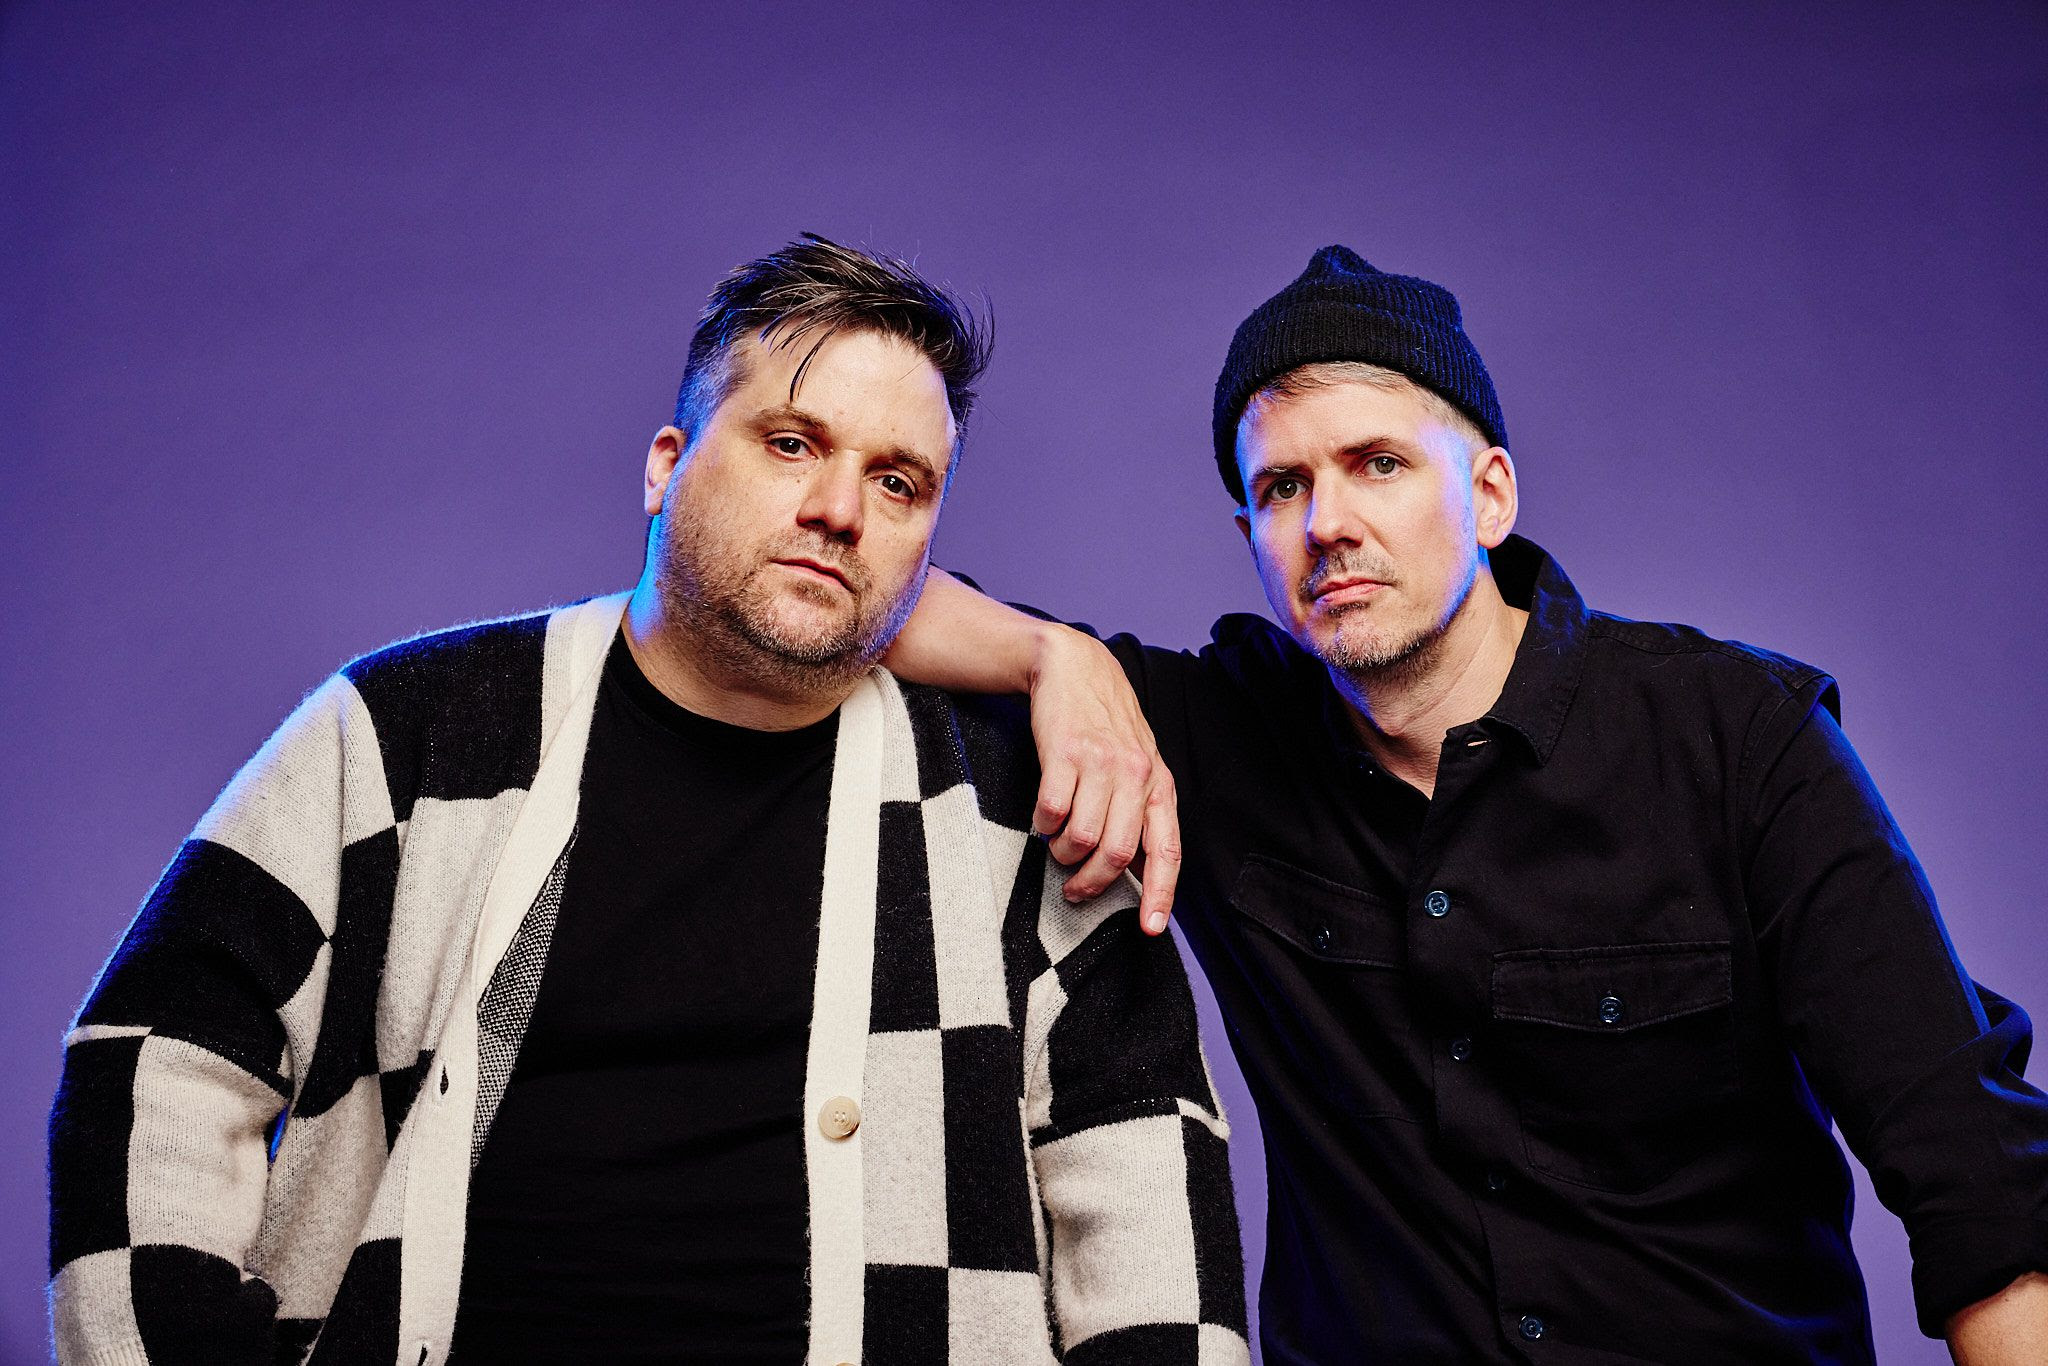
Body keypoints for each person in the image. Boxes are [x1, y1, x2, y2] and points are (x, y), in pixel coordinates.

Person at [47, 236, 1249, 1366]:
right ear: (666, 465)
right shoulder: (408, 733)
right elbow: (154, 1055)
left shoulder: (1014, 806)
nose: (839, 509)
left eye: (897, 481)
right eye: (791, 443)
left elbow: (1144, 1178)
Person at [886, 246, 2048, 1363]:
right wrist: (1050, 655)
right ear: (1248, 533)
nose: (1327, 522)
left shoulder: (1736, 737)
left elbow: (1971, 1161)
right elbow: (865, 594)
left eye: (1377, 464)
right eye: (1282, 486)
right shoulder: (1217, 739)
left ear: (1488, 494)